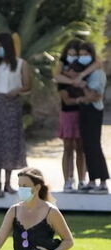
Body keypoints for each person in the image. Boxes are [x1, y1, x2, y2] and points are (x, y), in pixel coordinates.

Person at [0, 33, 30, 197]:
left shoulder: (21, 63)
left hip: (12, 103)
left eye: (0, 45)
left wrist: (17, 90)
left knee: (10, 141)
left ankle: (8, 183)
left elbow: (27, 85)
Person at [54, 40, 90, 193]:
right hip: (68, 114)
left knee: (81, 149)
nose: (73, 58)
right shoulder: (62, 78)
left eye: (76, 55)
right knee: (68, 148)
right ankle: (68, 180)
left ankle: (82, 180)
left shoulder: (87, 76)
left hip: (83, 114)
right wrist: (80, 97)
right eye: (71, 55)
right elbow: (66, 99)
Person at [76, 42, 109, 194]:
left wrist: (83, 87)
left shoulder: (98, 74)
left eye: (85, 54)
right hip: (85, 111)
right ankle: (92, 180)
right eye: (80, 55)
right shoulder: (86, 72)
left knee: (94, 145)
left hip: (93, 111)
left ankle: (102, 181)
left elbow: (94, 96)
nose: (82, 57)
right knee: (87, 147)